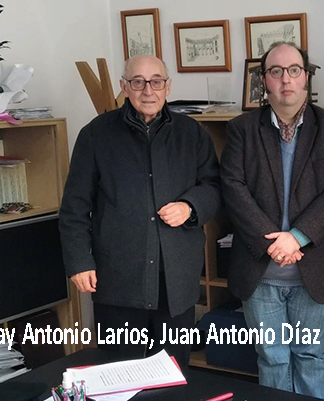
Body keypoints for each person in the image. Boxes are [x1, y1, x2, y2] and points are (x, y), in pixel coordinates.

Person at [59, 55, 221, 368]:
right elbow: (74, 207)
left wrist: (190, 206)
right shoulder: (95, 135)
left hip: (176, 281)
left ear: (167, 86)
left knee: (172, 374)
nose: (148, 90)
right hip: (118, 279)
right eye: (137, 82)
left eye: (156, 81)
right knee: (120, 375)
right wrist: (79, 262)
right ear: (124, 87)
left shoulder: (192, 134)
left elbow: (214, 187)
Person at [220, 42, 324, 400]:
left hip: (316, 268)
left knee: (311, 356)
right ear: (263, 80)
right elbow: (233, 187)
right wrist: (272, 243)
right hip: (260, 271)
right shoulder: (241, 129)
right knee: (272, 359)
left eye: (294, 70)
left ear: (306, 77)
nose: (286, 80)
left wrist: (296, 237)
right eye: (276, 71)